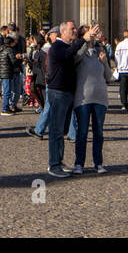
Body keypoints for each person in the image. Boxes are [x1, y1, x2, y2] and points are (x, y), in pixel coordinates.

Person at [45, 20, 84, 177]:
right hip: (58, 92)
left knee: (62, 130)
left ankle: (58, 161)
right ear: (63, 32)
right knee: (56, 130)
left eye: (75, 28)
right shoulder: (57, 47)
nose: (75, 30)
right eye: (72, 28)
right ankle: (53, 165)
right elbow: (68, 54)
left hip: (67, 92)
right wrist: (83, 40)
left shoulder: (66, 47)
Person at [72, 25, 109, 173]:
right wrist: (85, 42)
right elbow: (76, 59)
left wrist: (104, 61)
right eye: (89, 34)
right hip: (83, 98)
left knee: (98, 132)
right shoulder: (79, 53)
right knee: (82, 132)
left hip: (100, 97)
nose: (93, 37)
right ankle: (79, 163)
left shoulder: (100, 52)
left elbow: (108, 76)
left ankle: (98, 163)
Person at [0, 36, 19, 115]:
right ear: (11, 43)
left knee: (6, 90)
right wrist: (19, 58)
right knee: (7, 92)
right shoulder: (9, 50)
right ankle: (5, 108)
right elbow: (14, 61)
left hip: (2, 71)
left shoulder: (0, 49)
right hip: (8, 71)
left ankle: (6, 107)